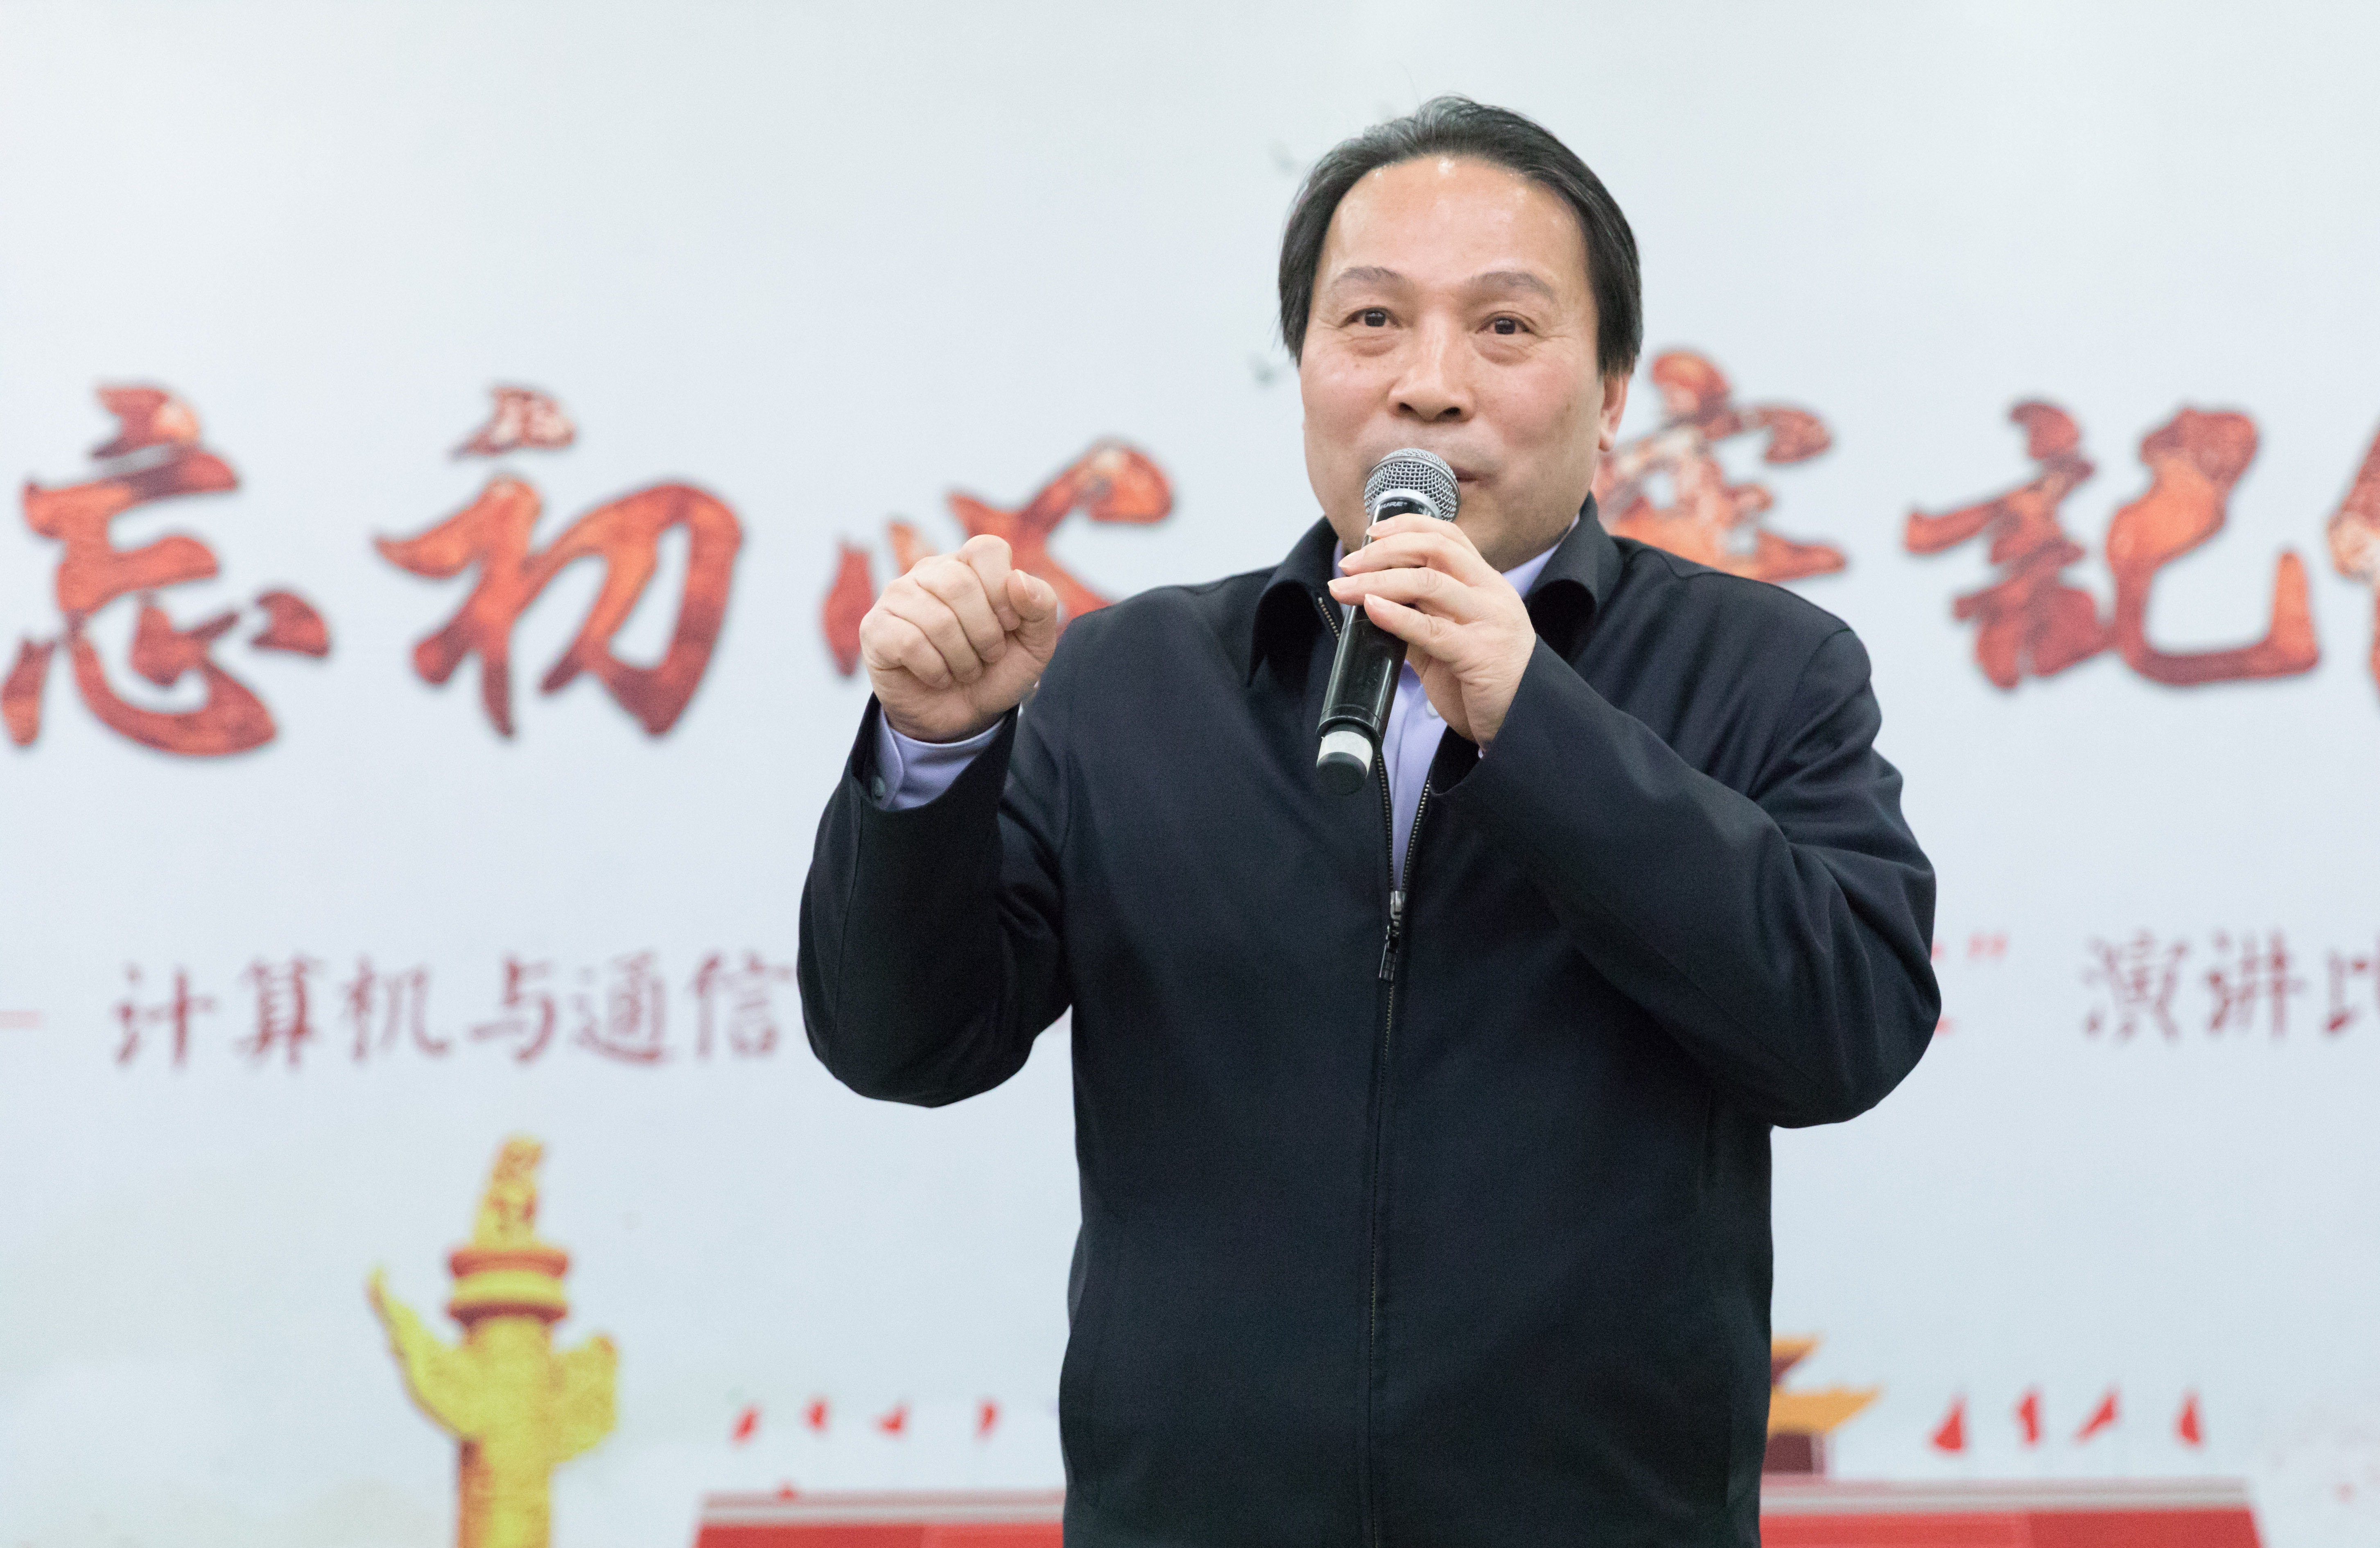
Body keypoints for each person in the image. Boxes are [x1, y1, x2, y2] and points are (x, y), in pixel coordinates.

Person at [800, 97, 1937, 1547]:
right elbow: (901, 1042)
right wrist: (932, 754)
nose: (1429, 385)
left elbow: (1845, 1027)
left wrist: (1536, 724)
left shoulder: (1765, 667)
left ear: (1614, 393)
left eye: (1506, 326)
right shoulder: (1128, 682)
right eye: (1372, 322)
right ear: (1307, 371)